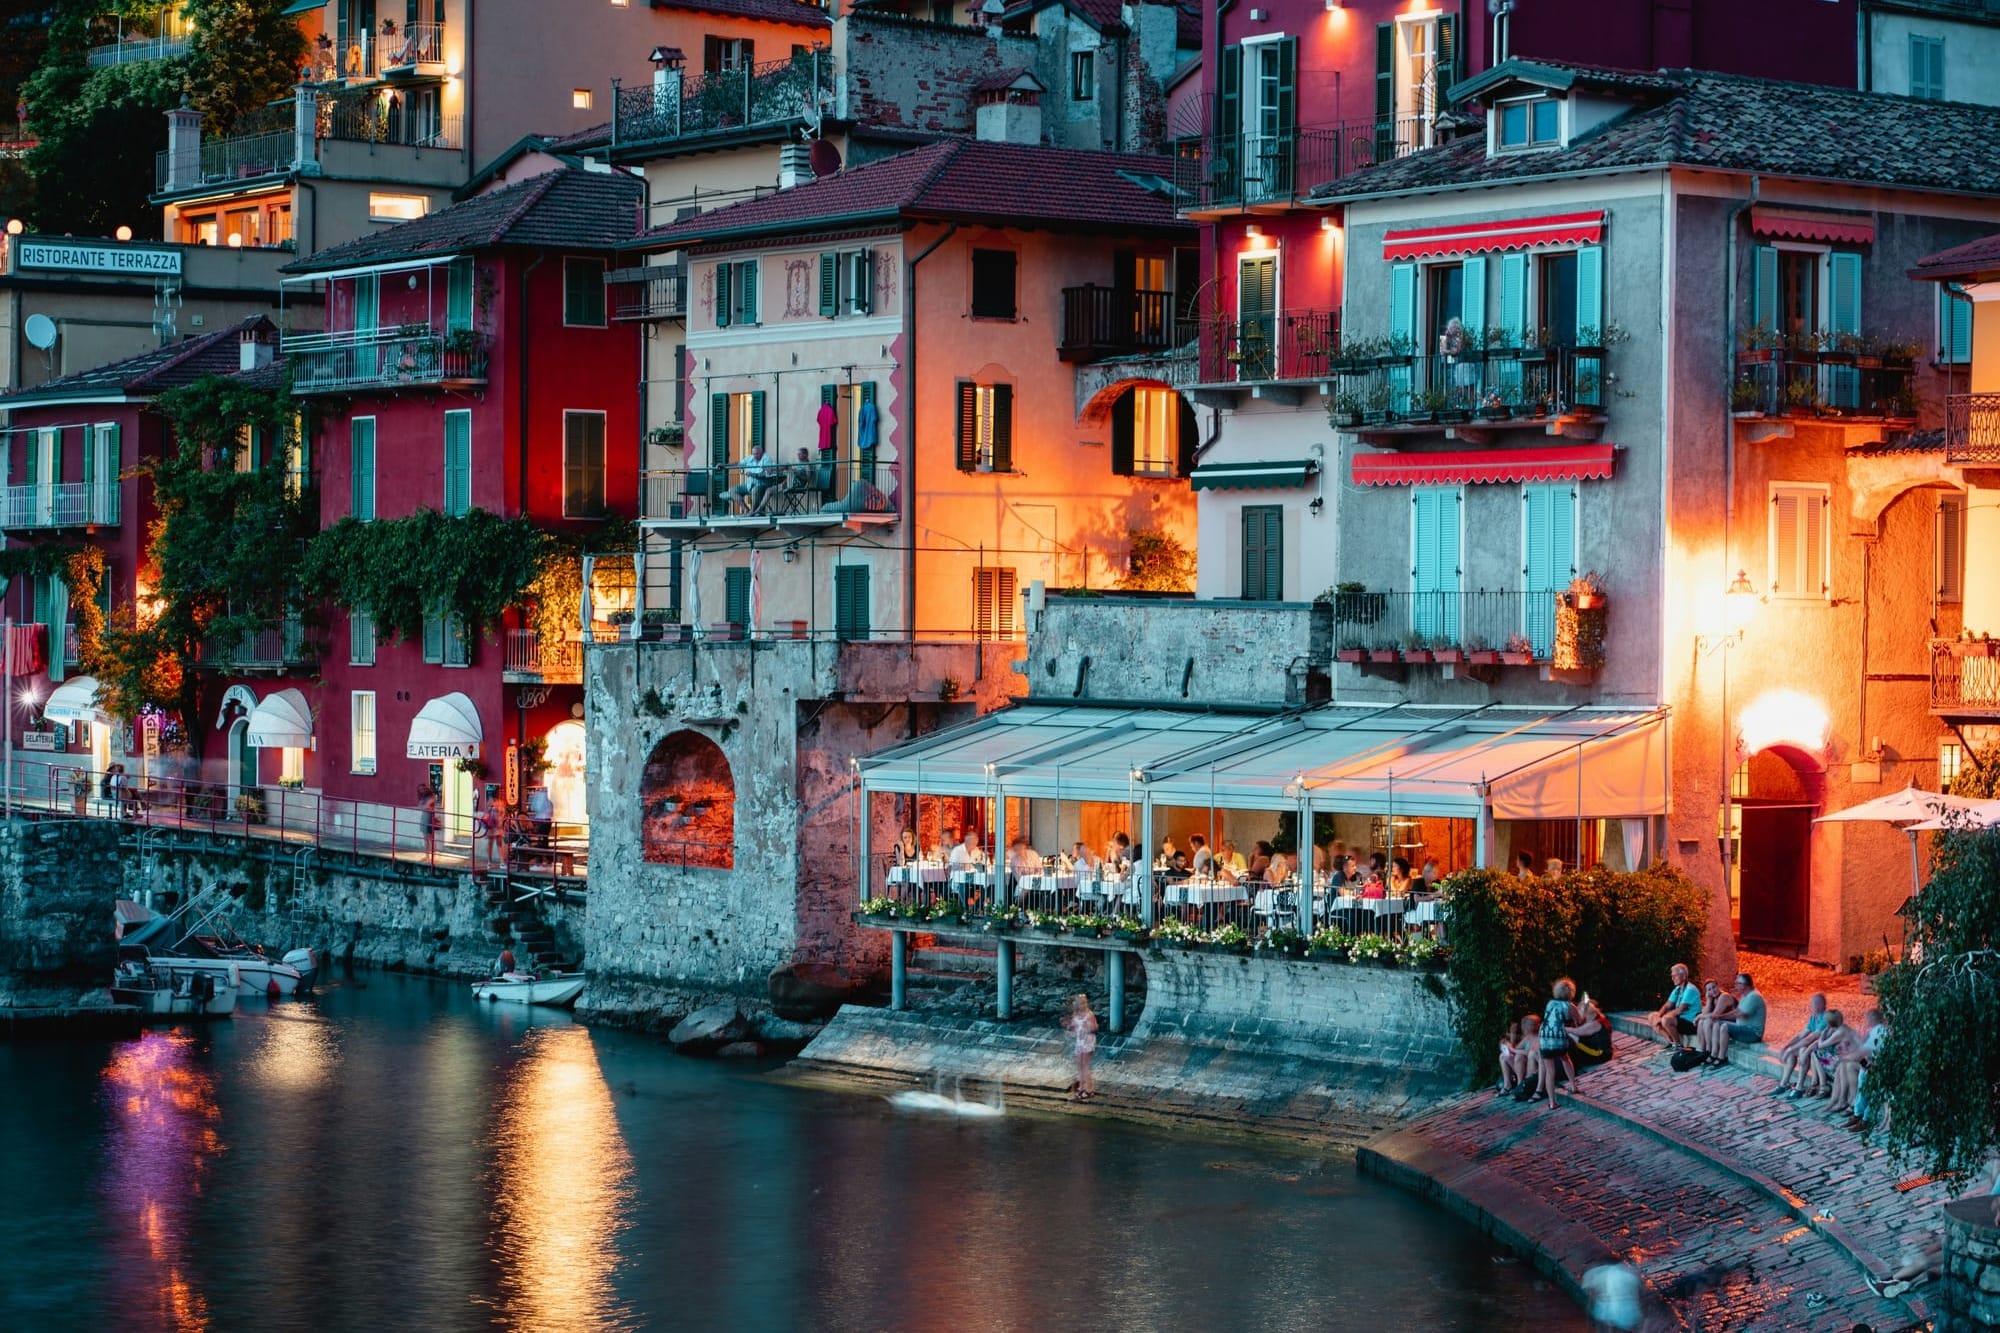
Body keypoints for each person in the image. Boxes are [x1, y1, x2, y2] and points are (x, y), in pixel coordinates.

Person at [1769, 992, 1830, 1097]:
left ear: (1820, 1005)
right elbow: (1801, 1035)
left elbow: (1811, 1038)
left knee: (1802, 1050)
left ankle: (1800, 1087)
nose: (1810, 1006)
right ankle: (1783, 1084)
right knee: (1796, 1051)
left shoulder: (1826, 1018)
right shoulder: (1814, 1018)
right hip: (1814, 1049)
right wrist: (1787, 1046)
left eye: (1813, 1004)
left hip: (1824, 1052)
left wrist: (1790, 1050)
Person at [1701, 972, 1765, 1066]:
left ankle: (1722, 1057)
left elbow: (1740, 1014)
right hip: (1743, 1028)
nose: (1735, 985)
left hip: (1753, 1033)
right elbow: (1737, 1011)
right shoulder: (1745, 995)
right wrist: (1719, 1018)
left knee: (1724, 1027)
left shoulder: (1754, 996)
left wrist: (1720, 1017)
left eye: (1737, 983)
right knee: (1716, 1023)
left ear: (1744, 985)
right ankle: (1713, 1053)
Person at [1540, 978, 1580, 1109]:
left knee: (1550, 1071)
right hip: (1558, 1037)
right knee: (1565, 1058)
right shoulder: (1569, 1006)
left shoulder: (1550, 1003)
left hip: (1545, 1037)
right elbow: (1578, 1019)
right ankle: (1573, 1085)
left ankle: (1552, 1102)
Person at [1646, 963, 1702, 1048]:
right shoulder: (1677, 989)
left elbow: (1680, 1010)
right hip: (1680, 1020)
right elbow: (1667, 1006)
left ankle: (1678, 1044)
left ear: (1683, 976)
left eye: (1675, 976)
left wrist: (1662, 1018)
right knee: (1652, 1016)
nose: (1672, 978)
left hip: (1691, 1023)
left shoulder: (1690, 989)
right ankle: (1670, 1042)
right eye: (1672, 976)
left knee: (1666, 1019)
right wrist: (1658, 1016)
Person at [1065, 993, 1099, 1101]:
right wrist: (1069, 1027)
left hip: (1088, 1041)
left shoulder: (1089, 1015)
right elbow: (1074, 1028)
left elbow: (1095, 1028)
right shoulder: (1076, 1015)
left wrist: (1088, 1027)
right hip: (1080, 1042)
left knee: (1085, 1065)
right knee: (1079, 1065)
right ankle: (1081, 1087)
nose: (1084, 1005)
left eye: (1085, 1003)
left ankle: (1088, 1089)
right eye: (1081, 1003)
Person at [1568, 993, 1614, 1072]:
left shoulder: (1594, 1024)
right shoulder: (1598, 1017)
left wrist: (1561, 1028)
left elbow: (1576, 1031)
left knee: (1572, 1038)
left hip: (1600, 1054)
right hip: (1603, 1051)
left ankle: (1574, 1065)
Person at [726, 440, 773, 514]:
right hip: (749, 485)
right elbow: (738, 463)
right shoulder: (750, 458)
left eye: (757, 454)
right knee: (732, 490)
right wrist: (724, 465)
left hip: (762, 484)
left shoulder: (766, 459)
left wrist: (752, 475)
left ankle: (753, 511)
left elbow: (766, 474)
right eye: (754, 454)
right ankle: (746, 509)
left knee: (755, 490)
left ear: (762, 453)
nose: (755, 456)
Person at [1499, 1019, 1526, 1094]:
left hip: (1526, 1065)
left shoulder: (1526, 1036)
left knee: (1517, 1057)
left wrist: (1512, 1049)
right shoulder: (1507, 1038)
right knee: (1502, 1056)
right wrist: (1512, 1035)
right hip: (1518, 1065)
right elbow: (1511, 1049)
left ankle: (1519, 1085)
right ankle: (1507, 1084)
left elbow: (1523, 1051)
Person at [419, 787, 439, 859]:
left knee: (431, 839)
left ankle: (434, 856)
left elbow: (425, 806)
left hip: (429, 818)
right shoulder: (425, 798)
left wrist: (425, 806)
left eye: (423, 790)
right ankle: (427, 855)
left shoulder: (431, 798)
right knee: (426, 839)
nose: (422, 791)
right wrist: (424, 806)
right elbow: (421, 807)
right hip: (424, 818)